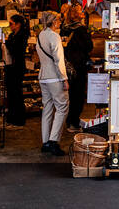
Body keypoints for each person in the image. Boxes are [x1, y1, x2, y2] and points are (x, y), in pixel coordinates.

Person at [36, 11, 69, 156]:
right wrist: (64, 78)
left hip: (43, 76)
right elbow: (58, 59)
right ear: (53, 21)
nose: (60, 22)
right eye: (59, 20)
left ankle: (45, 142)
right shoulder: (54, 36)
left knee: (47, 108)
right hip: (55, 77)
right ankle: (53, 141)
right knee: (62, 108)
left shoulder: (40, 35)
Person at [62, 4, 93, 133]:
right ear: (77, 15)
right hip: (79, 66)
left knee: (70, 95)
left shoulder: (64, 28)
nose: (83, 13)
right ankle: (73, 122)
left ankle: (69, 121)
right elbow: (89, 46)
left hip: (67, 66)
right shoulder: (81, 29)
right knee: (78, 95)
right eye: (80, 11)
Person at [4, 14, 30, 128]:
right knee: (11, 92)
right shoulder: (12, 35)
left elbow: (16, 50)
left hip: (17, 67)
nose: (9, 26)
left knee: (16, 93)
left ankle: (18, 119)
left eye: (11, 23)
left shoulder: (22, 36)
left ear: (18, 24)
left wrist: (7, 43)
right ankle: (11, 118)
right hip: (10, 66)